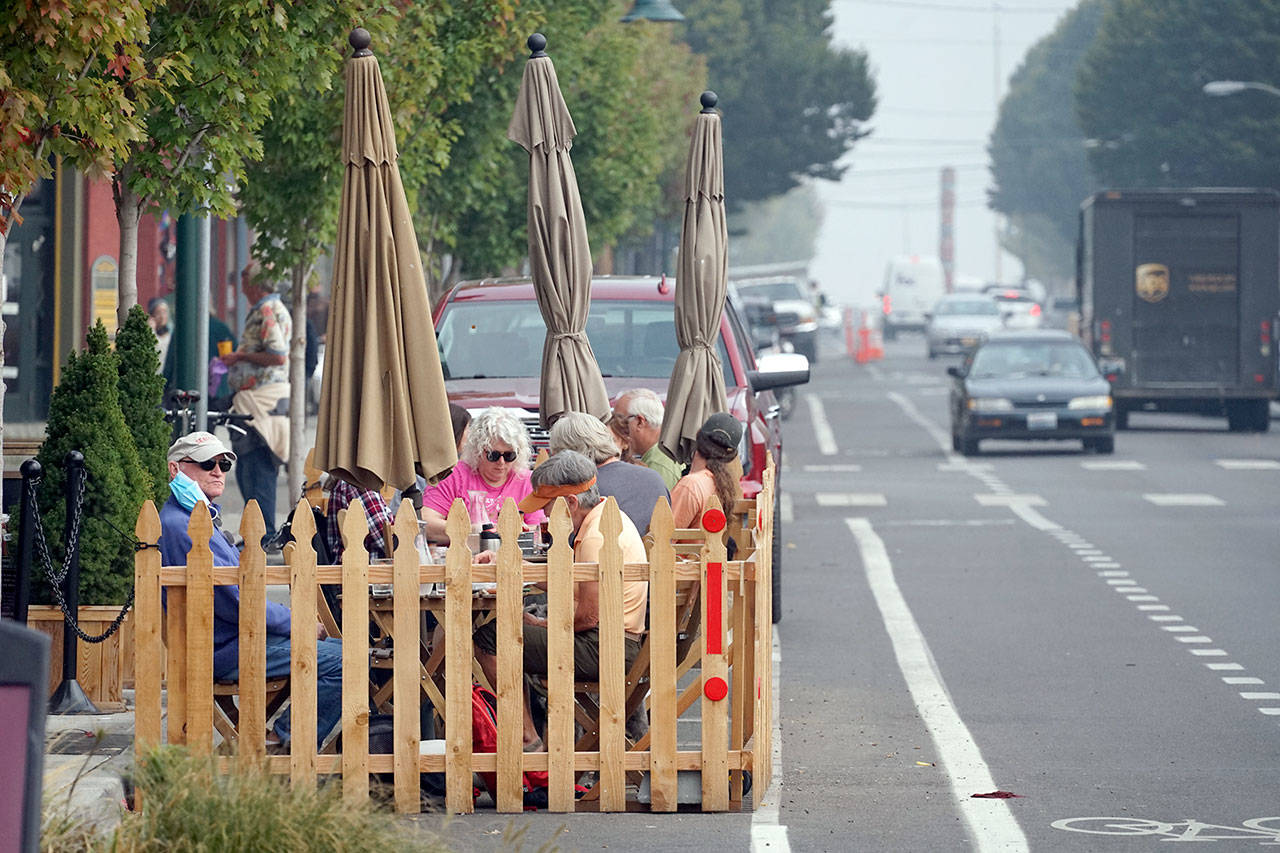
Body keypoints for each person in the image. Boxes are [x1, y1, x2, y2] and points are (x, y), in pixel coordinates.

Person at [156, 431, 341, 751]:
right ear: (176, 470)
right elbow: (239, 603)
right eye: (206, 463)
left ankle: (276, 739)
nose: (217, 471)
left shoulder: (192, 519)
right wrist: (298, 623)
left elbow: (239, 596)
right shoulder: (183, 525)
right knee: (348, 662)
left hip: (231, 639)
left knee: (344, 651)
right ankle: (281, 743)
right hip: (226, 647)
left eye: (223, 464)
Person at [473, 451, 648, 750]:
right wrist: (511, 564)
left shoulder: (596, 537)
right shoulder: (605, 517)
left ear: (570, 503)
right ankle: (530, 733)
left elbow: (589, 618)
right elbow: (571, 583)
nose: (543, 516)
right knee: (512, 631)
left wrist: (542, 624)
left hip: (606, 647)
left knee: (491, 638)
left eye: (548, 507)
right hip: (615, 642)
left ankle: (527, 738)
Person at [222, 261, 291, 543]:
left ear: (254, 283)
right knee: (248, 467)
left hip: (262, 402)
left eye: (244, 281)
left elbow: (278, 354)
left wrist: (239, 358)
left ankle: (264, 534)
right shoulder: (268, 308)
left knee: (257, 466)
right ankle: (257, 533)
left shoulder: (267, 310)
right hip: (256, 401)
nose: (241, 288)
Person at [420, 406, 544, 543]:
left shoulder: (526, 480)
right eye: (493, 455)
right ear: (477, 451)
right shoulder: (452, 475)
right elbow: (427, 523)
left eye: (510, 455)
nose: (501, 462)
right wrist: (474, 531)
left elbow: (537, 530)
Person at [549, 411, 669, 536]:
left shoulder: (584, 489)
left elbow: (562, 544)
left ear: (567, 454)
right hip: (655, 554)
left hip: (594, 554)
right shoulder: (654, 478)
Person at [670, 412, 745, 531]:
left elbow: (662, 540)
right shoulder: (722, 485)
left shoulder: (691, 485)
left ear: (698, 435)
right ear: (730, 456)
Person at [612, 388, 682, 490]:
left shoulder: (658, 461)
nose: (614, 427)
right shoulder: (667, 446)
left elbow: (658, 504)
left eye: (619, 421)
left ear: (640, 421)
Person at [325, 475, 394, 562]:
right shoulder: (358, 484)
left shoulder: (348, 481)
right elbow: (385, 540)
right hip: (368, 569)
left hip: (353, 567)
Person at [147, 297, 172, 370]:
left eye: (164, 312)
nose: (162, 316)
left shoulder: (171, 333)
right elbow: (156, 347)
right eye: (158, 313)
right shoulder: (150, 334)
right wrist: (151, 330)